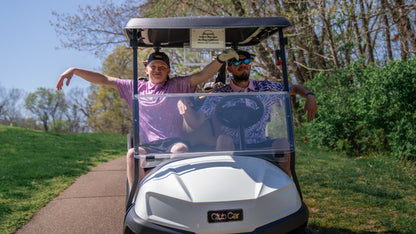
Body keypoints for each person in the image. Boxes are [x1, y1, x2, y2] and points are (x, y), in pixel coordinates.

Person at [57, 49, 239, 188]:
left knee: (181, 150)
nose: (157, 70)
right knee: (131, 155)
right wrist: (75, 70)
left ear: (168, 70)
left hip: (173, 141)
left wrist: (220, 60)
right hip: (150, 145)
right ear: (146, 68)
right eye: (154, 67)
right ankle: (137, 198)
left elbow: (202, 75)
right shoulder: (135, 88)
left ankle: (177, 195)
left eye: (162, 67)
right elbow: (104, 79)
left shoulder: (177, 85)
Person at [178, 50, 317, 176]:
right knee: (223, 140)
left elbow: (295, 88)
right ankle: (224, 183)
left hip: (259, 143)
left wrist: (309, 95)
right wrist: (182, 101)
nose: (242, 64)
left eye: (246, 61)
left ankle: (286, 182)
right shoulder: (219, 94)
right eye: (237, 62)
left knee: (283, 144)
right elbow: (196, 122)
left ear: (250, 66)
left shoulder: (265, 88)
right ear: (230, 69)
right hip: (233, 144)